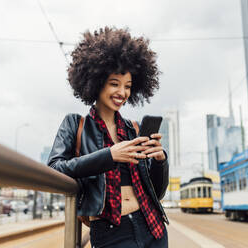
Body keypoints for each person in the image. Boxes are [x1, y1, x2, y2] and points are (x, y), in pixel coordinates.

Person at [47, 27, 169, 248]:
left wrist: (160, 161)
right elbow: (54, 169)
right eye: (114, 84)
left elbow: (157, 192)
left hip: (152, 226)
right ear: (96, 81)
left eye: (128, 87)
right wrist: (110, 155)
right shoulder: (75, 124)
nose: (122, 93)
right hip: (111, 232)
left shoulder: (133, 129)